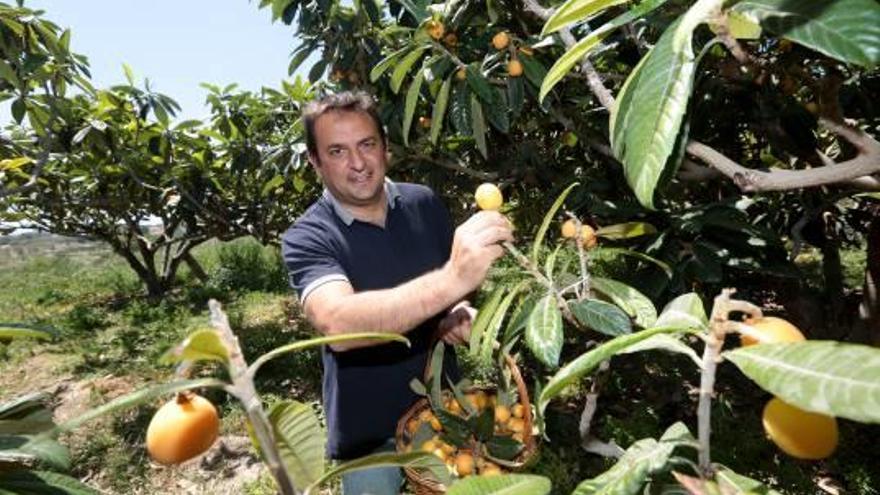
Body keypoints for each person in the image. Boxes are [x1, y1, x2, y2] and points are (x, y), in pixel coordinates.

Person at [281, 91, 513, 495]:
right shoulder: (308, 237)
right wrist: (454, 280)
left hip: (443, 412)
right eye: (337, 151)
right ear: (315, 162)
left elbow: (447, 290)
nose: (357, 163)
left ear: (385, 147)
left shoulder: (424, 204)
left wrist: (455, 313)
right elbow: (338, 322)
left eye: (367, 144)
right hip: (367, 435)